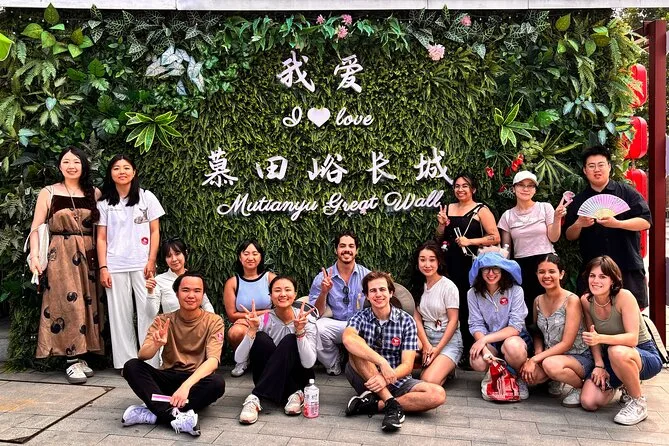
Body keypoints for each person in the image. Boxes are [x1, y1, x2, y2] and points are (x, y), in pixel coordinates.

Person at [121, 272, 226, 436]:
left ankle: (154, 412)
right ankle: (174, 414)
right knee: (131, 366)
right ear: (176, 293)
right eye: (185, 290)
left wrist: (186, 387)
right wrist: (156, 345)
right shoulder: (163, 320)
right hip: (168, 377)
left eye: (197, 291)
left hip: (194, 382)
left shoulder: (214, 321)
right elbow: (142, 355)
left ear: (203, 295)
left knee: (217, 383)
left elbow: (213, 361)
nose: (191, 295)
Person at [30, 147, 103, 384]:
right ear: (59, 166)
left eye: (76, 162)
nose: (71, 166)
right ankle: (71, 360)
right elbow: (36, 228)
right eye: (66, 162)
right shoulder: (49, 192)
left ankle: (81, 355)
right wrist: (35, 257)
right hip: (60, 254)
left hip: (90, 254)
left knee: (88, 303)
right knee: (67, 303)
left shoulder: (95, 193)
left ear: (84, 165)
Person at [342, 271, 446, 432]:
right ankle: (392, 405)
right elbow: (348, 339)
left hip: (397, 378)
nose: (378, 294)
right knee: (356, 346)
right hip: (366, 377)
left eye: (382, 289)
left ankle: (376, 404)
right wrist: (381, 362)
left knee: (438, 394)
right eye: (373, 291)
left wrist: (384, 379)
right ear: (367, 296)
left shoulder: (407, 321)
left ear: (391, 293)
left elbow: (407, 365)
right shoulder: (360, 317)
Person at [97, 154, 165, 369]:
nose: (122, 172)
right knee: (119, 316)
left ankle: (150, 359)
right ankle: (126, 363)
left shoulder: (147, 197)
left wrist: (151, 260)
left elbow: (155, 231)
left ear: (134, 172)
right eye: (116, 168)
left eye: (126, 168)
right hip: (115, 265)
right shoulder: (104, 203)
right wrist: (103, 267)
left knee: (148, 311)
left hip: (143, 264)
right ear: (111, 173)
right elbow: (101, 238)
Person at [565, 145, 652, 309]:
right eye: (591, 166)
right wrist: (579, 224)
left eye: (601, 165)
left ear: (609, 167)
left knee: (631, 315)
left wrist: (617, 224)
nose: (596, 170)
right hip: (593, 272)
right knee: (592, 315)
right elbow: (569, 235)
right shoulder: (579, 200)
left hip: (627, 266)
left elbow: (645, 222)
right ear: (585, 170)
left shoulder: (627, 193)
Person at [579, 256, 662, 425]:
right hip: (611, 357)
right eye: (592, 276)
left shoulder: (624, 297)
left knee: (616, 351)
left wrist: (600, 338)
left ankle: (638, 402)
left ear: (613, 280)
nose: (596, 281)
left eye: (603, 276)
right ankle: (623, 382)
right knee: (589, 401)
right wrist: (599, 365)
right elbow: (592, 335)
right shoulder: (586, 301)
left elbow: (632, 338)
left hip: (642, 353)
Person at [237, 276, 318, 425]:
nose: (283, 294)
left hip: (299, 375)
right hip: (268, 375)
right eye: (277, 290)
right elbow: (239, 359)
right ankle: (294, 393)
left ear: (295, 294)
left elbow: (309, 363)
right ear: (270, 295)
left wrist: (300, 331)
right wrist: (252, 330)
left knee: (290, 339)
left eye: (287, 290)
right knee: (260, 338)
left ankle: (256, 396)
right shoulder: (263, 320)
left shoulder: (307, 321)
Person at [436, 173, 500, 355]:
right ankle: (452, 348)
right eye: (457, 186)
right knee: (450, 304)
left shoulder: (481, 210)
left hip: (470, 265)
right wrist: (441, 225)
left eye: (465, 186)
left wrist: (470, 241)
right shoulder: (447, 208)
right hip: (448, 263)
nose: (460, 189)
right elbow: (439, 237)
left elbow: (495, 237)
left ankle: (473, 349)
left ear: (473, 189)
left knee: (469, 305)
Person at [519, 254, 594, 408]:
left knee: (550, 365)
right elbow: (537, 333)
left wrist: (534, 360)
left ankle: (581, 387)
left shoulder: (572, 300)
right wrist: (537, 355)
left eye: (552, 271)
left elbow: (567, 343)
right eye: (541, 272)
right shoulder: (538, 300)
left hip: (578, 356)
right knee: (530, 376)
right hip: (550, 355)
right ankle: (555, 378)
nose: (546, 276)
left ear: (561, 274)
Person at [498, 171, 567, 327]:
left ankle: (555, 336)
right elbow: (506, 249)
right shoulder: (507, 216)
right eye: (521, 185)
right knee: (528, 307)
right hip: (522, 266)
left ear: (535, 190)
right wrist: (502, 267)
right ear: (513, 188)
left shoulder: (545, 208)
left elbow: (554, 238)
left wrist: (557, 218)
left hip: (546, 262)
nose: (526, 189)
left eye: (530, 186)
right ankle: (531, 340)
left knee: (551, 302)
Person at [467, 252, 531, 399]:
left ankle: (518, 376)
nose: (491, 273)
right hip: (490, 341)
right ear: (480, 271)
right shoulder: (472, 293)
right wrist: (484, 349)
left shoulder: (516, 290)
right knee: (477, 360)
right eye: (486, 269)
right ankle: (495, 374)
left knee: (514, 347)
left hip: (513, 338)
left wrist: (483, 340)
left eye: (495, 268)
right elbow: (476, 324)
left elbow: (515, 327)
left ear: (503, 270)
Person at [309, 230, 371, 375]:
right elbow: (316, 313)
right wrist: (324, 292)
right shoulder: (323, 277)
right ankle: (333, 361)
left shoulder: (367, 276)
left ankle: (362, 364)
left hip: (361, 326)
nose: (347, 249)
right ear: (336, 249)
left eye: (351, 246)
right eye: (342, 246)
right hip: (337, 325)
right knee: (315, 326)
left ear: (356, 250)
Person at [411, 240, 462, 385]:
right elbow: (417, 319)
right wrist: (427, 345)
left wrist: (437, 349)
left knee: (428, 380)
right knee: (402, 353)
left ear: (439, 262)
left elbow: (453, 320)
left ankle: (447, 367)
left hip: (447, 340)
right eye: (422, 260)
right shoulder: (417, 285)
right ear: (417, 262)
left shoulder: (448, 287)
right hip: (425, 338)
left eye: (432, 260)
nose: (427, 264)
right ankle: (438, 366)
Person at [223, 239, 276, 377]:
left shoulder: (270, 278)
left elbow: (281, 307)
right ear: (240, 257)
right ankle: (242, 360)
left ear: (261, 257)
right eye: (246, 254)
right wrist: (250, 318)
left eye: (255, 253)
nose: (250, 257)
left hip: (268, 321)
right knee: (235, 332)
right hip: (245, 322)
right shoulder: (232, 282)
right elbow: (232, 315)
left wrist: (261, 314)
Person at [146, 238, 215, 315]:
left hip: (195, 322)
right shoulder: (159, 280)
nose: (174, 259)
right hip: (171, 322)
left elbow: (206, 304)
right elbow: (151, 314)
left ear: (185, 253)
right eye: (169, 256)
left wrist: (213, 320)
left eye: (177, 254)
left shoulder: (194, 278)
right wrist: (150, 292)